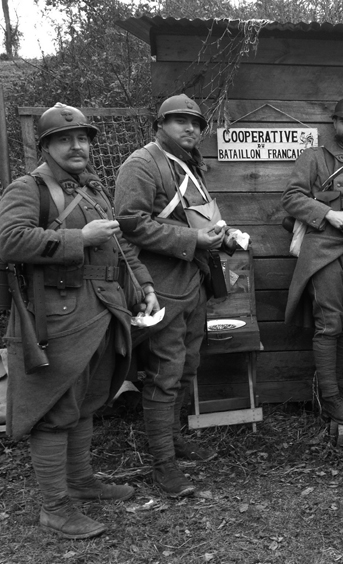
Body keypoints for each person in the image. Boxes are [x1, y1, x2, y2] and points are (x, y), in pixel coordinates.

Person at [0, 104, 159, 538]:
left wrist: (144, 285)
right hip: (55, 316)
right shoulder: (27, 188)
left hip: (100, 310)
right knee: (55, 409)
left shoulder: (91, 189)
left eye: (83, 138)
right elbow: (8, 241)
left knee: (86, 401)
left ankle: (81, 481)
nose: (77, 146)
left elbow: (121, 246)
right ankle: (54, 507)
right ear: (46, 146)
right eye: (65, 139)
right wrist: (78, 238)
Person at [116, 94, 236, 497]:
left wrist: (223, 236)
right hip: (162, 284)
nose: (190, 129)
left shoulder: (189, 165)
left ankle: (172, 438)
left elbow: (197, 217)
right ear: (160, 124)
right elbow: (129, 223)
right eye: (179, 121)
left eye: (195, 123)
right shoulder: (142, 163)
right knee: (165, 375)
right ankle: (163, 467)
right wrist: (193, 238)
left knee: (187, 367)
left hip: (192, 282)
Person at [282, 96, 343, 425]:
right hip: (324, 248)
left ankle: (332, 388)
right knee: (330, 324)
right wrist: (328, 213)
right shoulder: (314, 157)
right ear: (334, 124)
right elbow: (292, 198)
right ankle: (330, 399)